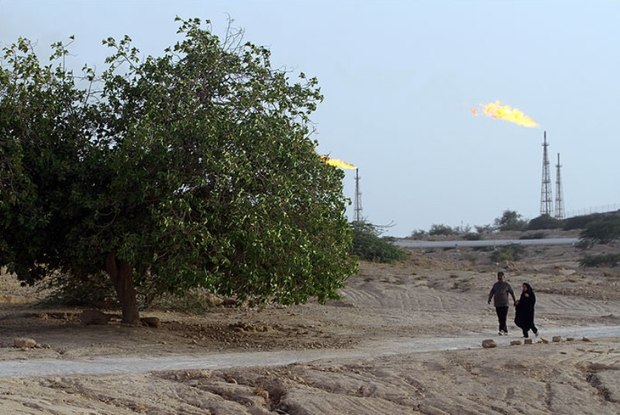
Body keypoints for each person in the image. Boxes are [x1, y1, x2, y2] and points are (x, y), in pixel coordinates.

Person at [487, 271, 516, 335]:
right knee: (500, 317)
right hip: (497, 304)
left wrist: (515, 301)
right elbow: (492, 292)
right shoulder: (495, 285)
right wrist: (489, 299)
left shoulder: (506, 285)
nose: (499, 277)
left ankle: (501, 330)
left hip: (505, 304)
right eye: (498, 276)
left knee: (503, 317)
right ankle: (505, 330)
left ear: (504, 277)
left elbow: (512, 293)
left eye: (501, 276)